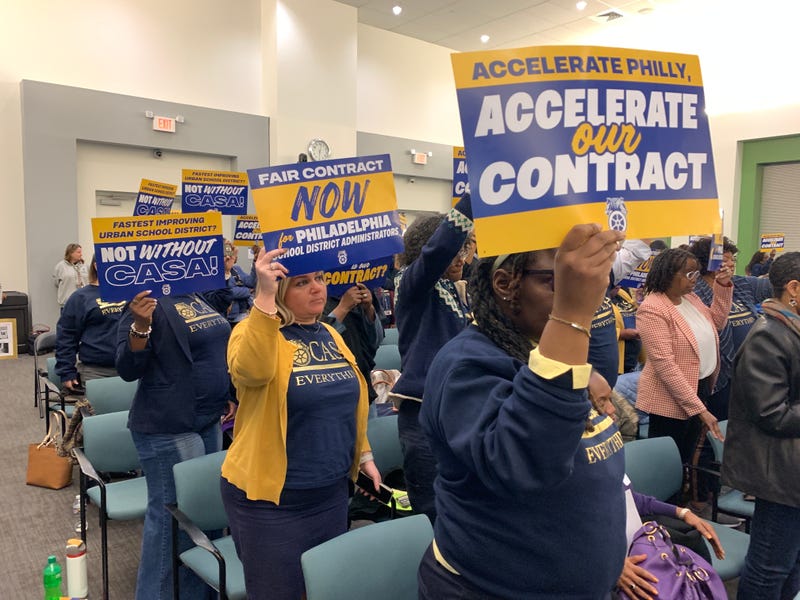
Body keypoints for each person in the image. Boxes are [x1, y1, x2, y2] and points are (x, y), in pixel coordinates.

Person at [418, 223, 627, 598]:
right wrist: (571, 317)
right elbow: (525, 462)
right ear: (504, 283)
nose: (585, 296)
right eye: (558, 281)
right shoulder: (465, 366)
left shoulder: (544, 351)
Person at [220, 247, 380, 600]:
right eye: (302, 282)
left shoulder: (330, 334)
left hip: (331, 494)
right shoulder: (250, 332)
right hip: (273, 503)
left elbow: (347, 402)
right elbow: (253, 370)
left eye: (320, 279)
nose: (317, 288)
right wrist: (262, 293)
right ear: (279, 290)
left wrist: (363, 455)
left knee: (324, 589)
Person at [116, 283, 234, 600]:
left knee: (203, 517)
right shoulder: (144, 299)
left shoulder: (194, 292)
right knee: (173, 524)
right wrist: (141, 326)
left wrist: (227, 393)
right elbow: (127, 367)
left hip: (208, 418)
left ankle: (200, 593)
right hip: (168, 426)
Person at [390, 194, 473, 523]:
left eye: (465, 250)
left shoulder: (456, 289)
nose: (462, 259)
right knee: (434, 516)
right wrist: (473, 196)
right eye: (458, 250)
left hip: (460, 411)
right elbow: (438, 252)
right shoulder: (411, 284)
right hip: (423, 417)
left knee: (464, 511)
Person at [722, 251, 800, 600]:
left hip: (790, 469)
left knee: (792, 563)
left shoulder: (791, 329)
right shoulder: (768, 336)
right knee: (770, 568)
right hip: (777, 475)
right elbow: (773, 414)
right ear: (794, 289)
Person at [635, 248, 732, 511]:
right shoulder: (653, 308)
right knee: (668, 464)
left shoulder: (690, 299)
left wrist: (722, 287)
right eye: (689, 274)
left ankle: (681, 509)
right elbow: (665, 365)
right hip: (669, 397)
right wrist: (700, 410)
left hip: (699, 386)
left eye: (696, 273)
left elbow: (718, 323)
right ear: (668, 274)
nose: (694, 279)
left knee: (686, 458)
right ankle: (665, 515)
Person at [688, 236, 772, 420]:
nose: (732, 264)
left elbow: (775, 285)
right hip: (721, 375)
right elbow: (713, 325)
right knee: (722, 425)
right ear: (706, 261)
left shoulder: (742, 284)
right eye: (725, 259)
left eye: (733, 259)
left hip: (750, 371)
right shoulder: (694, 292)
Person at [55, 256, 125, 390]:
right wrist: (66, 371)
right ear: (96, 265)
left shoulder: (133, 294)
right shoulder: (81, 297)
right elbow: (66, 336)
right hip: (98, 371)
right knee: (103, 410)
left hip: (135, 368)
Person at [321, 282, 384, 407]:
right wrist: (343, 308)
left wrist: (369, 309)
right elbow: (318, 345)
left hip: (363, 387)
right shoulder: (318, 301)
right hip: (332, 394)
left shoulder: (359, 292)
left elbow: (376, 341)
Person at [224, 241, 256, 326]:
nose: (228, 256)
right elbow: (230, 292)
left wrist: (256, 261)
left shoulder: (236, 269)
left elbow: (251, 282)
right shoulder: (215, 272)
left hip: (243, 313)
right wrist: (248, 291)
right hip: (228, 317)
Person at [53, 243, 88, 310]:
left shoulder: (85, 266)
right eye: (78, 252)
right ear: (71, 253)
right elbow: (56, 283)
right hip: (67, 304)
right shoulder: (60, 267)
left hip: (84, 303)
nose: (81, 254)